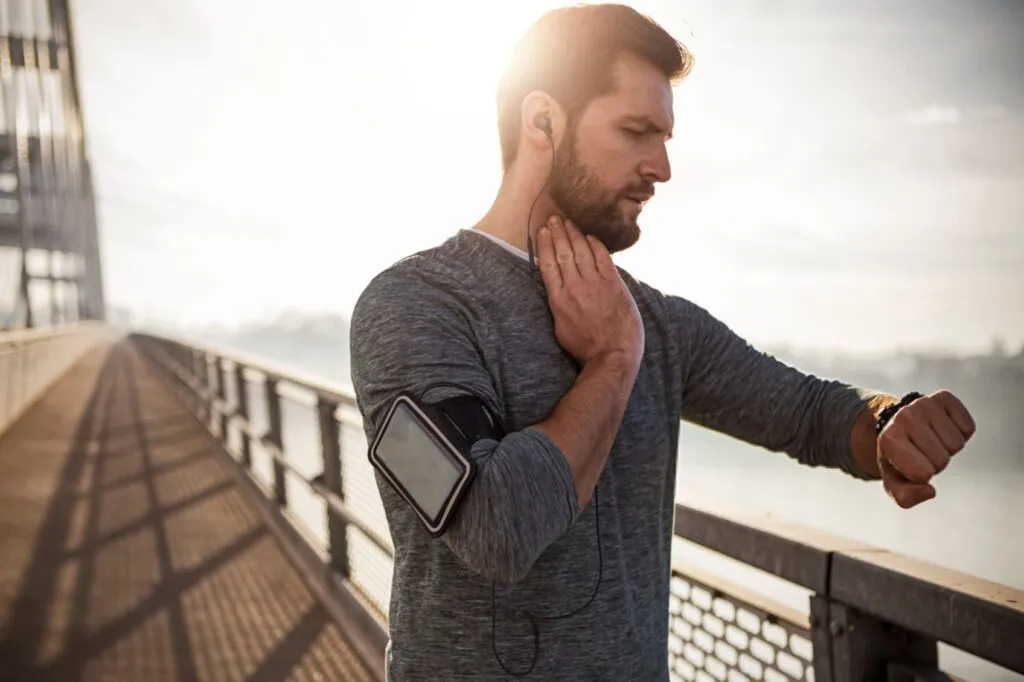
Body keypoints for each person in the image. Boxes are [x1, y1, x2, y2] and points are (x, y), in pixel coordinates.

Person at [348, 4, 977, 680]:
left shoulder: (656, 321)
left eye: (665, 136)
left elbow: (808, 413)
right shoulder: (413, 307)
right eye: (636, 131)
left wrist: (887, 422)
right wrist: (613, 362)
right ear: (542, 120)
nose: (663, 167)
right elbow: (497, 530)